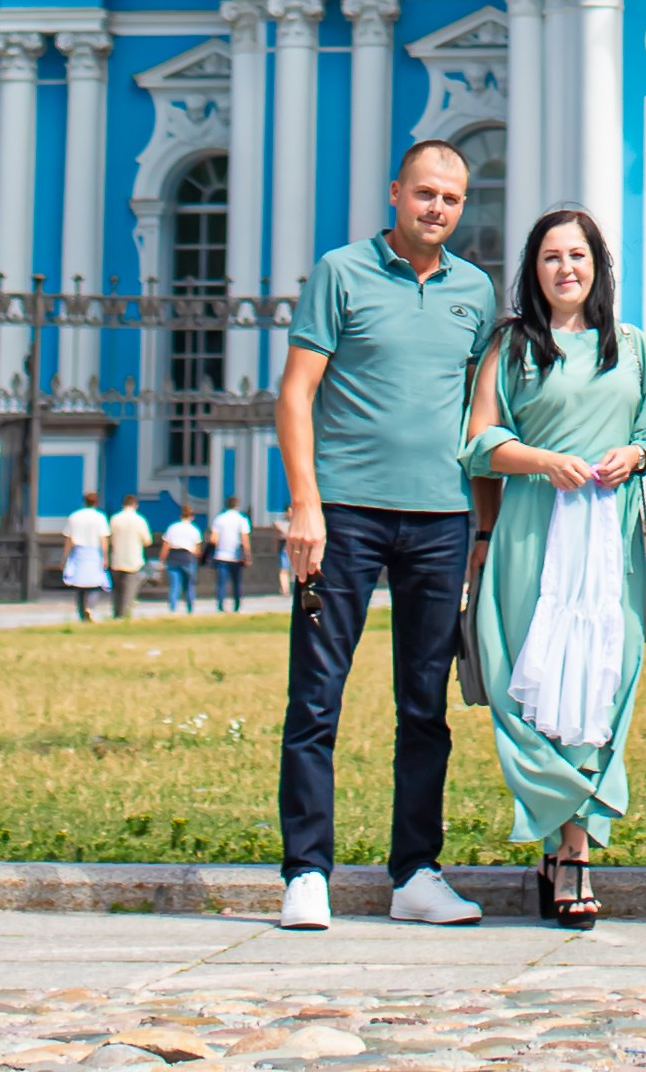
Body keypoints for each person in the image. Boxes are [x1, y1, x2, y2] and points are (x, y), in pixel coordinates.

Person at [274, 136, 501, 934]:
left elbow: (480, 417)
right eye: (424, 193)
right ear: (395, 192)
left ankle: (415, 871)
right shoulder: (341, 272)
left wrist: (482, 527)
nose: (437, 207)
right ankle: (306, 870)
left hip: (440, 519)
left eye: (451, 198)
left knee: (424, 703)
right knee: (316, 696)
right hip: (344, 516)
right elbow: (296, 393)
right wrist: (306, 503)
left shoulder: (476, 289)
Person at [462, 206, 646, 927]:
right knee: (532, 685)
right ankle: (565, 841)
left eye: (577, 255)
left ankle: (568, 845)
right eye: (550, 256)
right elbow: (479, 438)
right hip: (530, 527)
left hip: (608, 535)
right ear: (533, 269)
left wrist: (634, 455)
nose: (565, 268)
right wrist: (543, 460)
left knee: (598, 678)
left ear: (597, 265)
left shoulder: (631, 346)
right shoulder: (511, 346)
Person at [61, 495, 108, 622]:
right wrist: (105, 557)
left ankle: (81, 612)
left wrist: (65, 558)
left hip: (79, 551)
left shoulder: (74, 516)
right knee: (95, 583)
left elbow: (68, 539)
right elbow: (103, 539)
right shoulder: (100, 517)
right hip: (94, 551)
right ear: (96, 502)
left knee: (79, 583)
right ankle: (90, 607)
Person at [105, 493, 151, 619]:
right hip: (133, 560)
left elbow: (109, 538)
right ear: (135, 505)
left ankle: (116, 613)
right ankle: (125, 615)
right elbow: (147, 540)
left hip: (117, 559)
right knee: (129, 591)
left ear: (123, 504)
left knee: (117, 590)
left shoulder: (115, 519)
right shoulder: (140, 520)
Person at [210, 496, 252, 612]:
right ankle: (237, 605)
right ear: (237, 505)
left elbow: (213, 538)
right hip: (236, 556)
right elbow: (245, 539)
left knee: (221, 583)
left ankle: (220, 605)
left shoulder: (219, 519)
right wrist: (247, 555)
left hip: (221, 555)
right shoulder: (241, 519)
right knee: (237, 582)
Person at [162, 509, 206, 614]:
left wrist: (162, 559)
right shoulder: (194, 529)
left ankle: (173, 608)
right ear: (192, 516)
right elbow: (197, 549)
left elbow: (166, 546)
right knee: (189, 585)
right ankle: (190, 608)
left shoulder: (172, 528)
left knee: (174, 585)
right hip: (187, 557)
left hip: (173, 557)